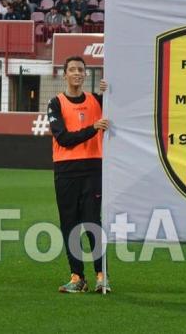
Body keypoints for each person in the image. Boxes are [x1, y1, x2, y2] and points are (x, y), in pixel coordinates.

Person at [48, 56, 110, 293]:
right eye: (72, 69)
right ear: (65, 74)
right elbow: (63, 138)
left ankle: (102, 275)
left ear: (85, 75)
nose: (76, 73)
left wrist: (109, 90)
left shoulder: (98, 100)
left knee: (93, 223)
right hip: (65, 170)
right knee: (69, 225)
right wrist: (92, 129)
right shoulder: (55, 103)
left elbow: (123, 103)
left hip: (93, 168)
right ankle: (77, 278)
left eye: (80, 70)